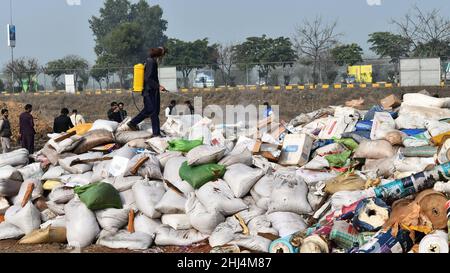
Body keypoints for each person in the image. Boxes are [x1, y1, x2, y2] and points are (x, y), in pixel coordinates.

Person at [127, 47, 168, 136]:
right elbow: (148, 78)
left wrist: (158, 87)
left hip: (152, 91)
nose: (163, 57)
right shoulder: (151, 62)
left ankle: (133, 123)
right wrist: (158, 86)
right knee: (153, 111)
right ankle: (156, 133)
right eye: (163, 55)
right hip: (149, 91)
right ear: (159, 54)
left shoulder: (151, 61)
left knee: (150, 110)